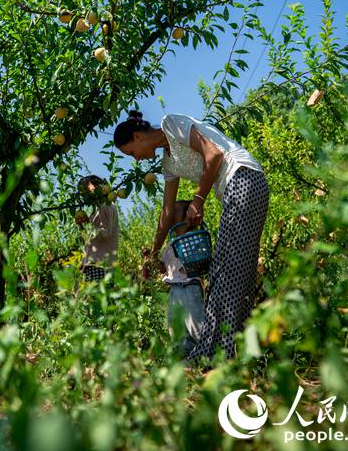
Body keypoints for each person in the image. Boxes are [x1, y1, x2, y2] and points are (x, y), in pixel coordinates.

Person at [113, 110, 269, 363]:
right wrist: (154, 253)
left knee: (225, 272)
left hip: (243, 178)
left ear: (138, 136)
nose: (136, 159)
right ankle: (239, 353)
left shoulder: (171, 123)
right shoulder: (168, 163)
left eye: (131, 152)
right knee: (237, 272)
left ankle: (215, 353)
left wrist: (198, 200)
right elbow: (167, 211)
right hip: (242, 187)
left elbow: (214, 154)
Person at [148, 199, 206, 357]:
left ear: (187, 218)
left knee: (197, 326)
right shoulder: (171, 244)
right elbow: (163, 268)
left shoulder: (193, 239)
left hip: (189, 288)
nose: (171, 216)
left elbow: (200, 260)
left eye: (175, 212)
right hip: (175, 291)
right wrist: (151, 258)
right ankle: (185, 360)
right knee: (177, 329)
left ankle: (209, 354)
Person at [75, 175, 119, 282]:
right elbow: (91, 238)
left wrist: (88, 225)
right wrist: (83, 225)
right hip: (95, 264)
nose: (85, 195)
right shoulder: (97, 211)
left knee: (99, 292)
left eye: (86, 189)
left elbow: (106, 233)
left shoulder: (106, 206)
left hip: (100, 264)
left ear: (99, 187)